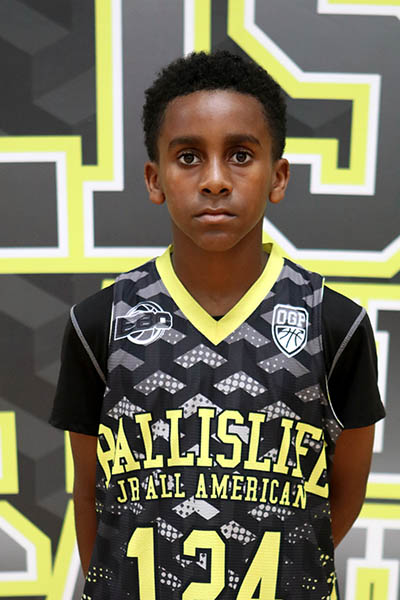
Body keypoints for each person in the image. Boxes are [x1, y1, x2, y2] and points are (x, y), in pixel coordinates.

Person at [50, 51, 385, 600]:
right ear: (155, 179)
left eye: (240, 155)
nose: (213, 180)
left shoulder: (333, 322)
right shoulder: (101, 323)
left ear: (278, 176)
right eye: (188, 157)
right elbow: (90, 494)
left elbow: (342, 495)